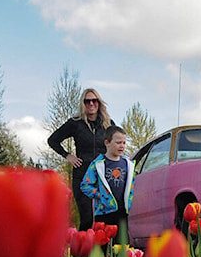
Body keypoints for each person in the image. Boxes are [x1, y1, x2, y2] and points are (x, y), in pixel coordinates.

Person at [47, 88, 115, 231]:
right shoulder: (75, 123)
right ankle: (82, 251)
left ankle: (102, 253)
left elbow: (116, 145)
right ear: (83, 104)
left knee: (103, 220)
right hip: (82, 175)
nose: (91, 104)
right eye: (87, 101)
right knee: (87, 218)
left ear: (99, 103)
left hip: (103, 176)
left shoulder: (108, 124)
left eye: (94, 100)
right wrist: (68, 156)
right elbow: (53, 140)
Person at [80, 125, 135, 246]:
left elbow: (131, 186)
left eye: (124, 143)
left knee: (122, 248)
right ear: (107, 143)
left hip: (122, 212)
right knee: (102, 248)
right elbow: (85, 185)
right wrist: (100, 195)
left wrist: (130, 201)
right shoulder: (98, 164)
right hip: (104, 213)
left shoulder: (129, 164)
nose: (122, 146)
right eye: (118, 142)